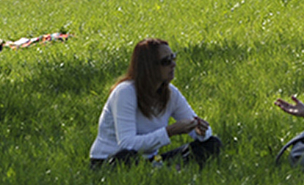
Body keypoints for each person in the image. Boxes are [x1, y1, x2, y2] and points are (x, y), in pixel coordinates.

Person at [89, 38, 221, 167]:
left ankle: (163, 170)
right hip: (110, 160)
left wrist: (201, 132)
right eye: (166, 61)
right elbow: (127, 144)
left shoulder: (170, 93)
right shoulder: (125, 92)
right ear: (148, 67)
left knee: (212, 143)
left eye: (173, 58)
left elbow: (195, 124)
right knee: (127, 157)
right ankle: (166, 170)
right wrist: (169, 132)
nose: (173, 64)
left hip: (149, 159)